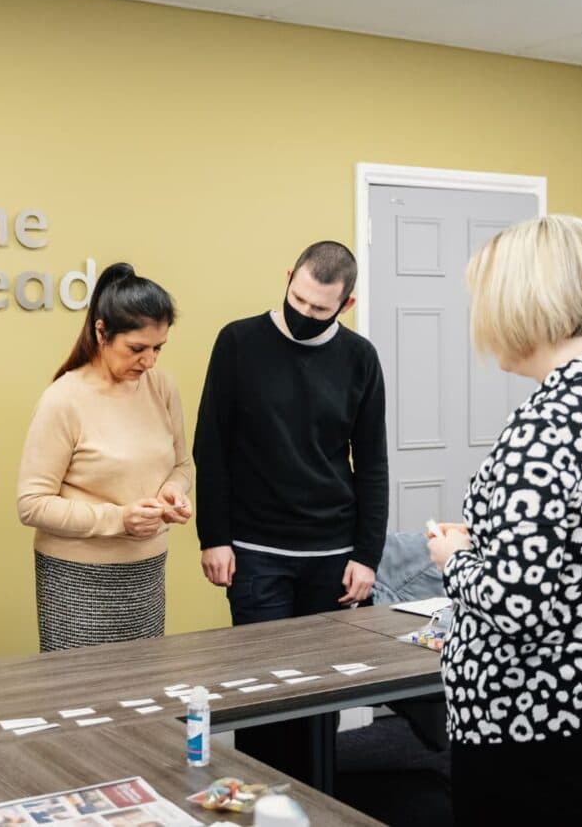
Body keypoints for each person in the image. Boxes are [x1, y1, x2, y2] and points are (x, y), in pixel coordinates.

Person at [427, 214, 582, 825]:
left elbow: (516, 605)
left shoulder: (542, 430)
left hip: (524, 718)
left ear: (522, 306)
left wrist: (454, 558)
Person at [193, 240, 388, 779]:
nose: (304, 313)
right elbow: (211, 444)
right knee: (262, 691)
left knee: (319, 693)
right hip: (256, 554)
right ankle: (262, 799)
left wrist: (367, 556)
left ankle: (316, 798)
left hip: (333, 553)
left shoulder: (360, 359)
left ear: (345, 305)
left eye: (319, 309)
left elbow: (372, 462)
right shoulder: (238, 342)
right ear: (288, 278)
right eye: (297, 298)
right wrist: (214, 537)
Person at [17, 262, 193, 652]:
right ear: (101, 332)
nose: (149, 361)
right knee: (81, 699)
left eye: (158, 348)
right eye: (137, 348)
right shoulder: (63, 399)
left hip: (146, 572)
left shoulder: (161, 387)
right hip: (78, 579)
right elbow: (31, 505)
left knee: (143, 694)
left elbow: (181, 466)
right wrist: (119, 519)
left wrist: (171, 494)